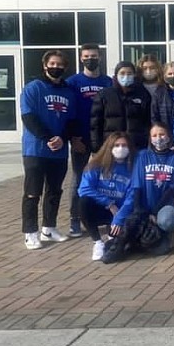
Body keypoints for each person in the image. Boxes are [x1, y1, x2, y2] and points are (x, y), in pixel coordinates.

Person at [20, 50, 80, 249]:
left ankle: (49, 227)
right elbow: (28, 117)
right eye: (52, 64)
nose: (56, 67)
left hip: (59, 151)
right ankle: (30, 232)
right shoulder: (33, 88)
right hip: (36, 150)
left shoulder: (68, 91)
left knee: (54, 190)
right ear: (45, 65)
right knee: (32, 192)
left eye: (59, 64)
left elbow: (71, 120)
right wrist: (48, 138)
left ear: (65, 67)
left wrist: (62, 139)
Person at [102, 122, 174, 263]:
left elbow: (173, 188)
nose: (158, 138)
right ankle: (122, 245)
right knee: (136, 225)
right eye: (154, 135)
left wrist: (155, 212)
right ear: (150, 138)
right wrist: (139, 210)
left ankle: (166, 233)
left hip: (165, 206)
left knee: (166, 225)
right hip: (144, 204)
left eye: (162, 134)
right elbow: (137, 186)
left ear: (169, 136)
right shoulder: (142, 156)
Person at [66, 43, 113, 237]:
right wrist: (72, 138)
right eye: (86, 56)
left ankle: (105, 217)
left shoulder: (108, 82)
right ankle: (75, 219)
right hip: (81, 139)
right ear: (80, 58)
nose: (90, 59)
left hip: (104, 140)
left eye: (93, 56)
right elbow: (68, 112)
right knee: (79, 179)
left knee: (106, 179)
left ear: (100, 57)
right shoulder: (73, 82)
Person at [77, 132, 133, 261]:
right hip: (101, 208)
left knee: (118, 246)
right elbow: (84, 189)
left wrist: (118, 219)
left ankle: (111, 235)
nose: (120, 149)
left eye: (124, 145)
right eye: (116, 145)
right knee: (83, 202)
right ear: (109, 147)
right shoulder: (96, 165)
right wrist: (109, 203)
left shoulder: (132, 168)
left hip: (120, 213)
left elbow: (131, 197)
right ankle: (97, 242)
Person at [90, 61, 152, 152]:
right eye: (122, 73)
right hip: (111, 146)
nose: (126, 76)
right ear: (116, 75)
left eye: (129, 73)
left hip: (137, 146)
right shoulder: (104, 95)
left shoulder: (143, 94)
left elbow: (148, 121)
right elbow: (95, 123)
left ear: (134, 75)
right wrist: (96, 146)